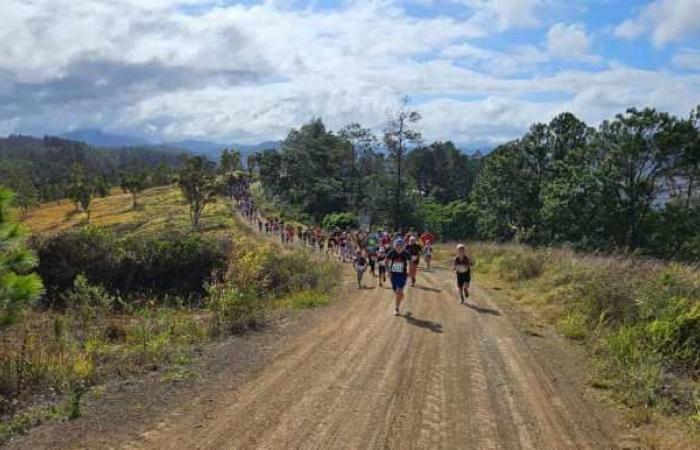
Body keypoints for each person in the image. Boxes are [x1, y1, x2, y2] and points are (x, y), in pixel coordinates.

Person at [386, 238, 411, 316]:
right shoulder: (391, 252)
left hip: (402, 274)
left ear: (403, 246)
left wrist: (409, 271)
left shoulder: (406, 253)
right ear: (395, 246)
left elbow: (410, 262)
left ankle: (396, 308)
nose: (399, 247)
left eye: (401, 245)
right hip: (393, 274)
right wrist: (388, 271)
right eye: (397, 245)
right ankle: (400, 295)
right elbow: (386, 261)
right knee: (396, 291)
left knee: (399, 290)